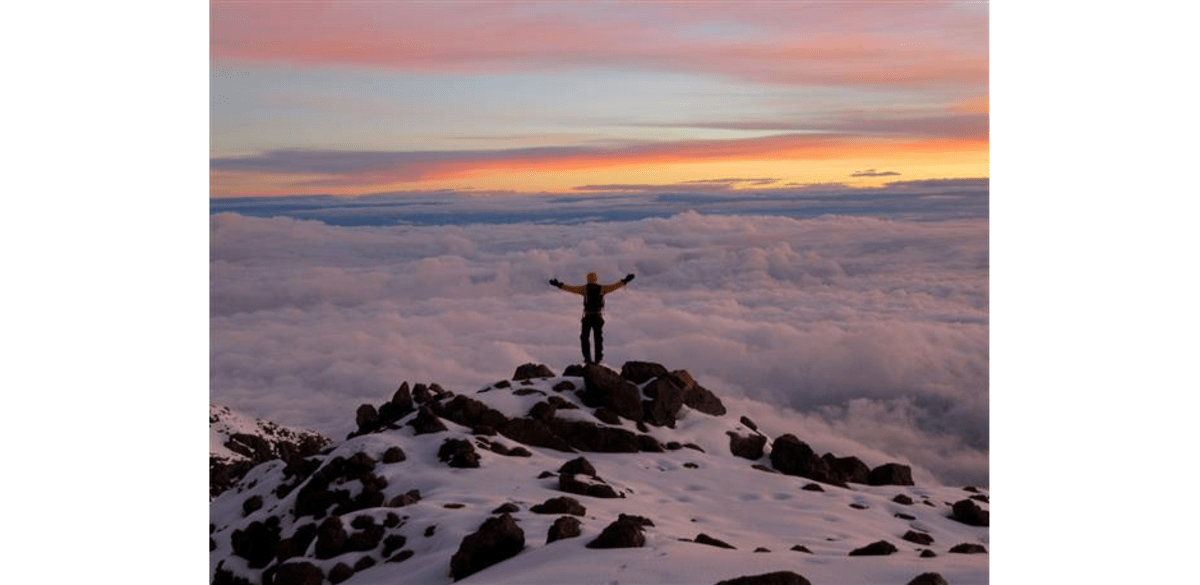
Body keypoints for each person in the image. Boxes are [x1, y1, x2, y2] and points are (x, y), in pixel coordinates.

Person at [548, 272, 635, 364]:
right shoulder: (602, 289)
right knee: (598, 338)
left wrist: (559, 285)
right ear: (596, 279)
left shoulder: (584, 289)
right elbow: (614, 286)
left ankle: (588, 359)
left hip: (588, 317)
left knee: (584, 337)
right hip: (598, 316)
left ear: (588, 279)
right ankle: (598, 359)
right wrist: (625, 281)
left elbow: (570, 289)